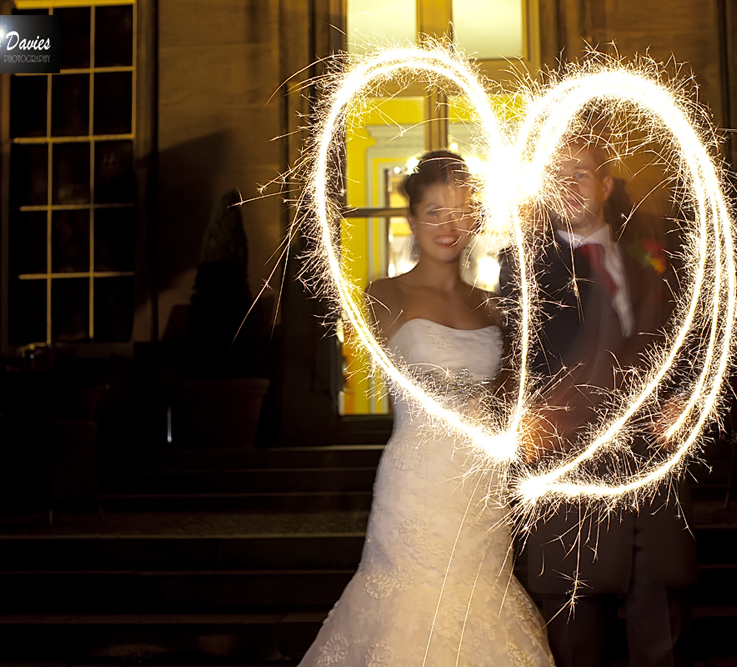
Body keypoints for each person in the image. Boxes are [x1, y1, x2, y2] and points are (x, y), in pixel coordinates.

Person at [298, 150, 554, 667]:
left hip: (482, 490)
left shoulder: (494, 304)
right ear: (411, 219)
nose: (448, 224)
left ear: (476, 217)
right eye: (433, 211)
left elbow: (508, 395)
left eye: (460, 209)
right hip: (416, 485)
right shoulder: (383, 294)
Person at [500, 133, 697, 667]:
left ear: (606, 185)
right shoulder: (528, 265)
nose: (566, 185)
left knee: (663, 638)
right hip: (572, 474)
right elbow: (518, 360)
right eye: (556, 174)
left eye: (580, 173)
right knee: (577, 642)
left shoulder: (650, 257)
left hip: (649, 471)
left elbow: (685, 341)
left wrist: (683, 398)